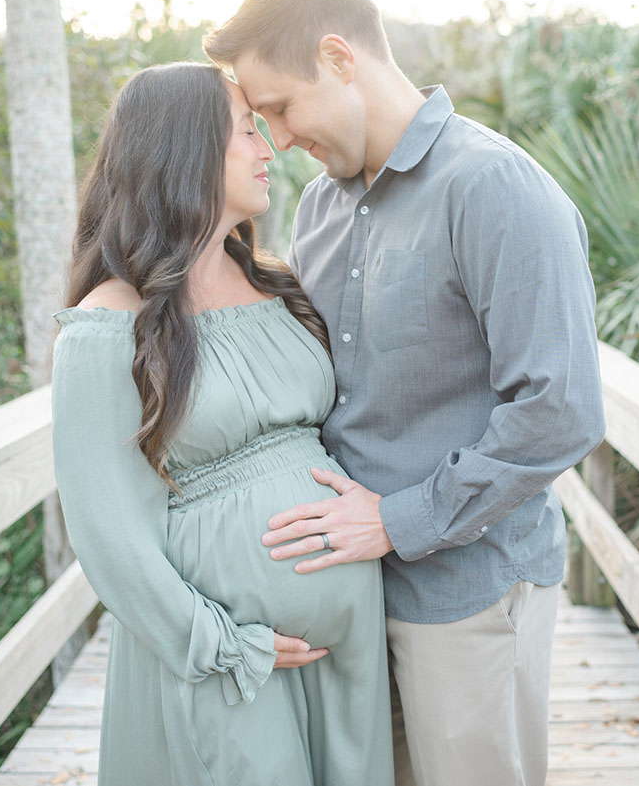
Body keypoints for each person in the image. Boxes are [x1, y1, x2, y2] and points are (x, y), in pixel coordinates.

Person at [204, 0, 607, 785]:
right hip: (348, 598)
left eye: (280, 108)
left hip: (467, 595)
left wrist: (396, 520)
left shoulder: (495, 187)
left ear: (337, 58)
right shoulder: (319, 209)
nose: (278, 138)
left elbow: (561, 411)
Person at [49, 61, 394, 786]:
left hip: (345, 647)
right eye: (247, 131)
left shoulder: (274, 282)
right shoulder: (109, 323)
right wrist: (225, 646)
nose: (271, 147)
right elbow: (108, 535)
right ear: (187, 150)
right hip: (227, 662)